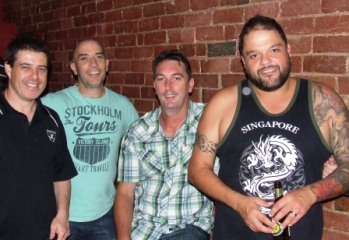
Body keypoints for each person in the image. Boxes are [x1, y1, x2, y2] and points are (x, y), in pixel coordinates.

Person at [188, 15, 349, 240]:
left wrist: (310, 194)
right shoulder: (223, 103)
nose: (266, 62)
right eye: (254, 55)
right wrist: (240, 203)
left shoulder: (322, 101)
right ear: (243, 62)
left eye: (274, 50)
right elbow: (197, 170)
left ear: (288, 49)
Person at [41, 39, 138, 240]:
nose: (93, 64)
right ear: (74, 68)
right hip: (61, 216)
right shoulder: (52, 103)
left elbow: (143, 149)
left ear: (107, 64)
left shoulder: (123, 106)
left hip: (106, 215)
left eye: (99, 57)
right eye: (84, 58)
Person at [115, 49, 216, 240]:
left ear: (190, 85)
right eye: (161, 79)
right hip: (143, 230)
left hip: (188, 227)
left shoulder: (209, 122)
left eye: (176, 78)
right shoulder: (138, 131)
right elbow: (125, 192)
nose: (168, 87)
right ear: (154, 86)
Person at [0, 36, 77, 239]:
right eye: (26, 67)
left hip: (44, 233)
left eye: (41, 69)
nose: (35, 77)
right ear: (8, 69)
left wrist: (62, 215)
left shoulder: (52, 120)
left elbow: (61, 174)